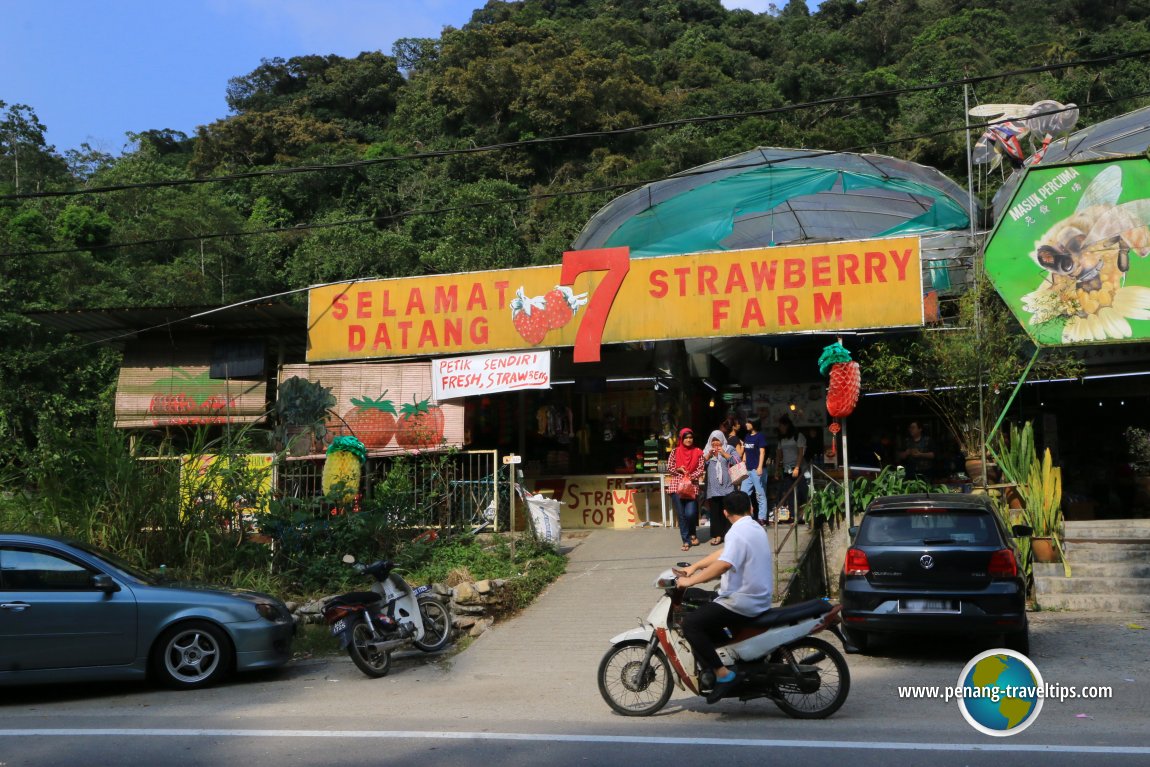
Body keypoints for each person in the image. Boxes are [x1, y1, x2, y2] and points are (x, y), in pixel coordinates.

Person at [674, 490, 774, 704]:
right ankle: (728, 655)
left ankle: (723, 674)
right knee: (699, 600)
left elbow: (724, 564)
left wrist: (690, 580)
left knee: (690, 624)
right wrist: (695, 566)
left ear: (726, 512)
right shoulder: (754, 527)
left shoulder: (737, 532)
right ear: (752, 508)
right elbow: (725, 553)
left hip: (742, 601)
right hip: (755, 597)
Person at [667, 428, 705, 552]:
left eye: (690, 438)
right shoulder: (675, 452)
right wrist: (679, 470)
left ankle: (692, 532)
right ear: (681, 439)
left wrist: (690, 476)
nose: (688, 440)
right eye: (686, 438)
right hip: (677, 486)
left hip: (692, 486)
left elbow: (701, 468)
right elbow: (670, 467)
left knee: (691, 513)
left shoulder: (698, 452)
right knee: (682, 515)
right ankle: (686, 540)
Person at [702, 429, 740, 545]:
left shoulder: (729, 449)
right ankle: (717, 535)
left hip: (728, 487)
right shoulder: (706, 451)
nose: (715, 444)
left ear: (722, 440)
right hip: (713, 488)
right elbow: (699, 465)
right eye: (713, 441)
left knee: (728, 512)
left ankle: (729, 535)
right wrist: (708, 455)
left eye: (717, 441)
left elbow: (737, 461)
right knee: (715, 513)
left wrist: (724, 454)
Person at [774, 416, 807, 517]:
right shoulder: (781, 438)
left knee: (802, 491)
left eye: (781, 425)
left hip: (798, 468)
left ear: (786, 425)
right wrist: (776, 470)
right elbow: (779, 454)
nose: (779, 427)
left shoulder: (798, 436)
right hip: (786, 468)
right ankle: (793, 515)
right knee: (789, 492)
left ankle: (806, 513)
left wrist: (797, 467)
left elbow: (801, 453)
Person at [740, 417, 769, 523]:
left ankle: (762, 518)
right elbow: (746, 452)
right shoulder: (747, 436)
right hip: (748, 470)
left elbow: (762, 452)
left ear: (754, 423)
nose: (746, 424)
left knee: (760, 494)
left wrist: (760, 467)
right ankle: (749, 515)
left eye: (749, 422)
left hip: (757, 470)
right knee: (744, 493)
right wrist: (743, 460)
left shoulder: (760, 436)